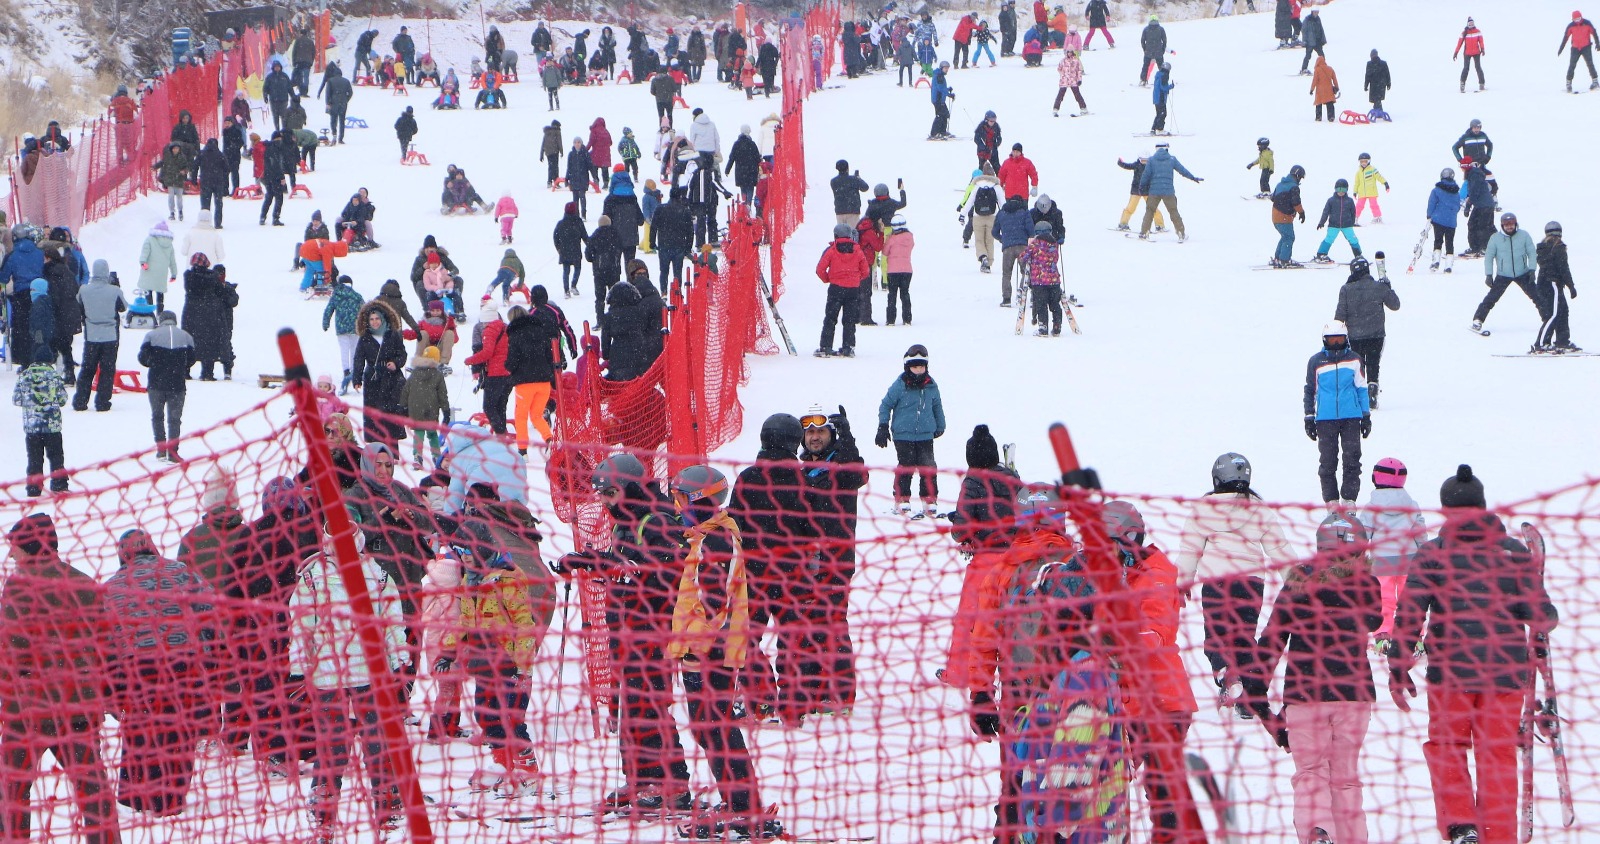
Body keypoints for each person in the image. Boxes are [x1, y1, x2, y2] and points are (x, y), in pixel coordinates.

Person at [1389, 464, 1557, 844]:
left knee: (1447, 747)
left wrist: (1399, 667)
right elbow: (1542, 616)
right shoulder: (1513, 552)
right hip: (1506, 675)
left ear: (1446, 512)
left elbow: (1410, 612)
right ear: (1483, 507)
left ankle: (1461, 824)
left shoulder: (1433, 554)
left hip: (1451, 675)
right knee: (1496, 756)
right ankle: (1498, 836)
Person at [557, 455, 694, 816]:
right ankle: (639, 778)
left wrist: (604, 565)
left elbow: (654, 568)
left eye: (612, 493)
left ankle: (672, 784)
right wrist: (588, 559)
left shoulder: (657, 520)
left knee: (649, 705)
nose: (605, 502)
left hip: (652, 629)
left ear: (631, 489)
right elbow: (621, 561)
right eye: (602, 495)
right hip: (626, 628)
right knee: (627, 706)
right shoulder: (625, 523)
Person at [661, 466, 782, 839]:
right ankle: (738, 802)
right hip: (706, 649)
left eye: (681, 499)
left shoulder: (715, 541)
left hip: (709, 652)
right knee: (709, 728)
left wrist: (697, 646)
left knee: (716, 728)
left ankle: (745, 808)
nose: (678, 506)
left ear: (698, 501)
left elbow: (713, 602)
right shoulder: (705, 537)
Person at [1250, 513, 1381, 844]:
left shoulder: (1299, 579)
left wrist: (1258, 694)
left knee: (1310, 774)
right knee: (1346, 778)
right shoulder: (1367, 583)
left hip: (1305, 694)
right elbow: (1374, 619)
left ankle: (1317, 833)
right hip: (1354, 694)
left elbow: (1274, 638)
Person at [0, 515, 119, 842]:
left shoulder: (18, 587)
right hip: (78, 706)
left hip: (29, 712)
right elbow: (104, 643)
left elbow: (13, 648)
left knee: (11, 793)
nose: (11, 556)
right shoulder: (84, 584)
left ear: (29, 547)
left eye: (15, 548)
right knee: (94, 794)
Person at [290, 514, 410, 839]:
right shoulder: (316, 576)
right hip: (333, 675)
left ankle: (383, 806)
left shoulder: (375, 573)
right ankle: (328, 808)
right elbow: (302, 627)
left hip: (365, 674)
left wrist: (400, 663)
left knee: (373, 741)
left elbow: (393, 622)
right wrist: (299, 669)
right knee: (338, 743)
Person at [1103, 500, 1205, 842]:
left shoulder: (1156, 574)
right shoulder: (1117, 577)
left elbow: (1154, 629)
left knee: (1164, 795)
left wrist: (1115, 645)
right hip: (1127, 706)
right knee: (1109, 791)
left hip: (1162, 705)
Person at [104, 529, 218, 816]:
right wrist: (205, 647)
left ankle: (134, 796)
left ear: (122, 553)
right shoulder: (180, 572)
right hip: (181, 663)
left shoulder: (113, 585)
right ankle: (171, 799)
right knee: (179, 728)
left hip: (138, 668)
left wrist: (114, 681)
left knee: (139, 729)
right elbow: (210, 608)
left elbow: (104, 637)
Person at [1174, 453, 1292, 715]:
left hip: (1217, 583)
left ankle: (1227, 674)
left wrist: (1182, 583)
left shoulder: (1205, 508)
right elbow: (1279, 546)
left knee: (1216, 637)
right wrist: (1296, 582)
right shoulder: (1258, 508)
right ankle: (1248, 697)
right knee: (1243, 637)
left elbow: (1190, 549)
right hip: (1251, 584)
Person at [1359, 458, 1427, 645]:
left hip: (1382, 562)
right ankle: (1415, 634)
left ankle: (1383, 633)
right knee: (1410, 599)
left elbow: (1363, 533)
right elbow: (1419, 532)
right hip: (1409, 560)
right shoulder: (1411, 504)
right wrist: (1424, 553)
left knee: (1384, 599)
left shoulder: (1372, 507)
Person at [1304, 320, 1371, 509]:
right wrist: (1309, 417)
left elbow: (1361, 388)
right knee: (1327, 462)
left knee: (1352, 460)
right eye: (1331, 340)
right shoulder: (1316, 361)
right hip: (1325, 419)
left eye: (1339, 339)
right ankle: (1331, 501)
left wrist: (1365, 416)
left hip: (1351, 417)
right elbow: (1310, 390)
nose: (1335, 343)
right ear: (1325, 340)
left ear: (1346, 339)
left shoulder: (1354, 359)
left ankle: (1349, 500)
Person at [875, 345, 945, 516]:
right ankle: (902, 499)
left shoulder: (931, 386)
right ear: (908, 367)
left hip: (925, 434)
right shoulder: (900, 385)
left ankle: (929, 499)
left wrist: (940, 425)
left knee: (928, 466)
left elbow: (937, 406)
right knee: (906, 466)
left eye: (922, 366)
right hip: (903, 434)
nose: (918, 370)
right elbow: (885, 405)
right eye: (915, 366)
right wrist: (882, 426)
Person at [504, 292, 560, 454]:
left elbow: (513, 359)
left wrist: (508, 367)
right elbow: (549, 355)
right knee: (537, 415)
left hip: (525, 382)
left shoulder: (515, 335)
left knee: (521, 417)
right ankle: (550, 440)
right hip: (543, 381)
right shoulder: (540, 331)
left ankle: (523, 451)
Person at [352, 300, 410, 448]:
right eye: (371, 319)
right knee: (374, 416)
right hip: (373, 380)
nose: (375, 322)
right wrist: (357, 378)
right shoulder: (364, 338)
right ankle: (377, 451)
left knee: (390, 416)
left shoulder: (393, 335)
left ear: (383, 318)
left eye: (377, 318)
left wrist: (395, 363)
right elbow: (359, 358)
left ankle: (393, 452)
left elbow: (402, 353)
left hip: (391, 380)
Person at [137, 311, 193, 462]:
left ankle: (161, 449)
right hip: (177, 384)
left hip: (156, 382)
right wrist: (179, 366)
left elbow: (142, 358)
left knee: (157, 416)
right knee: (174, 419)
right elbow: (192, 360)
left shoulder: (151, 335)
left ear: (160, 320)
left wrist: (154, 364)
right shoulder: (186, 336)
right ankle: (173, 452)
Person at [13, 343, 68, 496]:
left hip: (32, 427)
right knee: (56, 456)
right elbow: (63, 399)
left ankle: (33, 487)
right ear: (50, 360)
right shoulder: (54, 376)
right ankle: (59, 484)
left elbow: (17, 399)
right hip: (52, 426)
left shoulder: (24, 376)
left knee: (34, 458)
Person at [73, 259, 126, 412]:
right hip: (110, 335)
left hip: (92, 335)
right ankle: (103, 402)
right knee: (107, 370)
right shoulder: (114, 291)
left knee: (87, 368)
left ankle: (80, 401)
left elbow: (79, 307)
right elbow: (123, 308)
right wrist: (116, 286)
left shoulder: (84, 290)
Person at [814, 223, 867, 357]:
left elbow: (820, 269)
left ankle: (826, 347)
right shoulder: (857, 250)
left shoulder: (832, 250)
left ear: (836, 235)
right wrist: (855, 278)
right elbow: (865, 271)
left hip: (836, 288)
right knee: (849, 320)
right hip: (852, 289)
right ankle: (848, 348)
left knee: (831, 318)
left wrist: (828, 279)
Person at [182, 253, 237, 380]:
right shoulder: (213, 277)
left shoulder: (188, 276)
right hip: (209, 314)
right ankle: (207, 373)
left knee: (189, 341)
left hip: (191, 313)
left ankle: (185, 370)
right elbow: (221, 292)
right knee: (208, 343)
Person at [1534, 221, 1582, 353]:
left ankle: (1562, 340)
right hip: (1552, 284)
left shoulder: (1544, 248)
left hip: (1546, 284)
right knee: (1554, 314)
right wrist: (1571, 286)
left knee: (1562, 311)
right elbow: (1563, 269)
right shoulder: (1557, 247)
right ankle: (1541, 343)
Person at [1138, 141, 1200, 241]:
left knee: (1149, 211)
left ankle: (1144, 233)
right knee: (1173, 212)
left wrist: (1141, 186)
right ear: (1166, 148)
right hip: (1168, 191)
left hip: (1154, 191)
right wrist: (1193, 178)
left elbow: (1146, 175)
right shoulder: (1172, 159)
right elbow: (1182, 170)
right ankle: (1181, 233)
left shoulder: (1151, 160)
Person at [1019, 220, 1064, 335]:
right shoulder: (1054, 244)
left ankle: (1043, 327)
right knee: (1055, 304)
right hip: (1054, 280)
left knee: (1041, 304)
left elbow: (1023, 257)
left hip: (1039, 281)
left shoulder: (1035, 244)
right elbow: (1055, 259)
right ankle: (1057, 325)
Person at [958, 163, 1002, 272]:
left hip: (977, 217)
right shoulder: (996, 186)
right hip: (992, 216)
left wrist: (962, 215)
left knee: (979, 240)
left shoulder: (977, 185)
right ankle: (989, 264)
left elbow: (970, 201)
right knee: (989, 241)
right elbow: (1002, 203)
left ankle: (983, 257)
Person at [1425, 167, 1462, 273]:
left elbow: (1431, 203)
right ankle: (1448, 265)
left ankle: (1435, 261)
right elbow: (1458, 207)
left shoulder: (1436, 190)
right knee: (1450, 243)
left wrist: (1429, 215)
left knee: (1438, 240)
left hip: (1438, 220)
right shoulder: (1456, 193)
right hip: (1451, 222)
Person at [1314, 180, 1361, 263]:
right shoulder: (1331, 200)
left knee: (1353, 239)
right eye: (1339, 189)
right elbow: (1326, 212)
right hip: (1333, 225)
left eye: (1343, 190)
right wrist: (1322, 222)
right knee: (1329, 239)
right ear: (1335, 189)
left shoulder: (1349, 201)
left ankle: (1358, 255)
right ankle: (1321, 254)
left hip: (1347, 225)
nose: (1341, 192)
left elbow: (1353, 212)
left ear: (1347, 190)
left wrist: (1352, 222)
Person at [1269, 164, 1307, 268]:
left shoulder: (1280, 184)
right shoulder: (1294, 187)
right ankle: (1284, 260)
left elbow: (1272, 198)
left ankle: (1278, 258)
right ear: (1298, 176)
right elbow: (1296, 202)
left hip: (1275, 216)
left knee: (1285, 236)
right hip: (1284, 217)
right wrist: (1301, 213)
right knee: (1289, 237)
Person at [1459, 158, 1498, 258]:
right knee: (1481, 225)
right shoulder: (1473, 174)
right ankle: (1477, 247)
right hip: (1483, 204)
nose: (1461, 169)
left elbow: (1474, 191)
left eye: (1461, 166)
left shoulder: (1474, 175)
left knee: (1482, 226)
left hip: (1483, 205)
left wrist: (1468, 205)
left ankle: (1484, 247)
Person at [882, 215, 916, 326]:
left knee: (892, 295)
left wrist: (887, 239)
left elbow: (885, 252)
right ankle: (907, 319)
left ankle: (891, 320)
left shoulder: (891, 239)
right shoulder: (910, 237)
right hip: (907, 270)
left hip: (893, 270)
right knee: (905, 294)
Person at [1559, 11, 1599, 92]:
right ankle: (1568, 84)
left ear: (1581, 17)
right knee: (1572, 65)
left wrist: (1598, 44)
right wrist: (1561, 48)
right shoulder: (1571, 26)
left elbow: (1594, 33)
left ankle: (1595, 82)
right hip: (1575, 48)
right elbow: (1565, 37)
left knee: (1590, 64)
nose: (1578, 20)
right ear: (1573, 19)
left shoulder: (1587, 23)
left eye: (1579, 18)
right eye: (1575, 19)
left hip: (1586, 47)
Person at [830, 160, 869, 227]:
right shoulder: (854, 179)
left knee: (842, 233)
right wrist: (858, 178)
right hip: (853, 210)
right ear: (847, 168)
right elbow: (865, 187)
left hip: (840, 211)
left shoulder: (833, 181)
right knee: (853, 233)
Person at [1454, 17, 1486, 92]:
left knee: (1478, 68)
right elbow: (1459, 43)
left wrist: (1482, 49)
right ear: (1467, 24)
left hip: (1476, 53)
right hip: (1467, 53)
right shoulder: (1464, 33)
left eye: (1472, 23)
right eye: (1470, 23)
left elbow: (1481, 41)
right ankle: (1462, 84)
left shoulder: (1478, 31)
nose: (1471, 24)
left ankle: (1482, 84)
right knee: (1466, 68)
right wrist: (1456, 52)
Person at [1053, 49, 1087, 116]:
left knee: (1077, 95)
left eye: (1071, 52)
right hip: (1064, 81)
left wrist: (1079, 80)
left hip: (1073, 81)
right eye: (1068, 52)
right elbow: (1059, 68)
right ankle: (1055, 109)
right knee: (1060, 96)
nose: (1069, 54)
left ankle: (1083, 108)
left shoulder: (1076, 61)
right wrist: (1063, 75)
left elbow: (1079, 71)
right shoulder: (1063, 61)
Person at [567, 137, 593, 218]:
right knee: (575, 199)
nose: (577, 144)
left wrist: (595, 177)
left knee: (582, 196)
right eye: (575, 142)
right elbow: (569, 167)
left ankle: (583, 214)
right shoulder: (571, 154)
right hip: (574, 179)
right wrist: (567, 178)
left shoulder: (585, 153)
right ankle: (576, 215)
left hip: (583, 178)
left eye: (578, 142)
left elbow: (590, 166)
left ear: (581, 143)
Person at [928, 61, 954, 141]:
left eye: (947, 68)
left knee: (945, 114)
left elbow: (941, 88)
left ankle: (942, 132)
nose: (947, 70)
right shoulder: (939, 76)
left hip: (940, 99)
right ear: (941, 68)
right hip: (937, 99)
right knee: (940, 115)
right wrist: (948, 94)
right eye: (945, 68)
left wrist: (947, 89)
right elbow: (940, 88)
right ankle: (934, 133)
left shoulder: (940, 75)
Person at [1310, 54, 1338, 123]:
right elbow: (1334, 79)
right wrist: (1337, 87)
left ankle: (1318, 117)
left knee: (1318, 103)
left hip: (1320, 90)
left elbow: (1315, 80)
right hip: (1329, 90)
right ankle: (1331, 117)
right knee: (1330, 104)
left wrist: (1312, 89)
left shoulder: (1317, 70)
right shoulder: (1330, 68)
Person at [1139, 14, 1166, 84]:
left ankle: (1143, 80)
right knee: (1161, 66)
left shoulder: (1146, 29)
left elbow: (1142, 41)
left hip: (1148, 51)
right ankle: (1163, 80)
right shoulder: (1161, 29)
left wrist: (1145, 49)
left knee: (1145, 66)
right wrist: (1162, 50)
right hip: (1158, 51)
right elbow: (1164, 40)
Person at [1299, 8, 1326, 74]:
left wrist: (1323, 39)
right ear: (1312, 12)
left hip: (1317, 41)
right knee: (1308, 56)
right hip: (1309, 42)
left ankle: (1323, 68)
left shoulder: (1318, 19)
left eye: (1317, 12)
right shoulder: (1307, 19)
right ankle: (1304, 69)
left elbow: (1321, 29)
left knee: (1321, 55)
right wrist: (1304, 41)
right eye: (1315, 12)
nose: (1316, 13)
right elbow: (1304, 30)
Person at [1150, 60, 1175, 133]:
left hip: (1156, 97)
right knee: (1163, 113)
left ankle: (1153, 128)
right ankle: (1159, 129)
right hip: (1160, 98)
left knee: (1159, 113)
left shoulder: (1159, 74)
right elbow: (1163, 87)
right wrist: (1171, 86)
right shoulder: (1164, 75)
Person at [1365, 49, 1391, 115]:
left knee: (1376, 99)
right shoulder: (1383, 63)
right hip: (1382, 84)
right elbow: (1387, 74)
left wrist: (1366, 85)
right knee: (1377, 99)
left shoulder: (1370, 64)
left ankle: (1378, 111)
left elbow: (1367, 76)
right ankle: (1377, 110)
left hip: (1374, 84)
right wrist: (1388, 83)